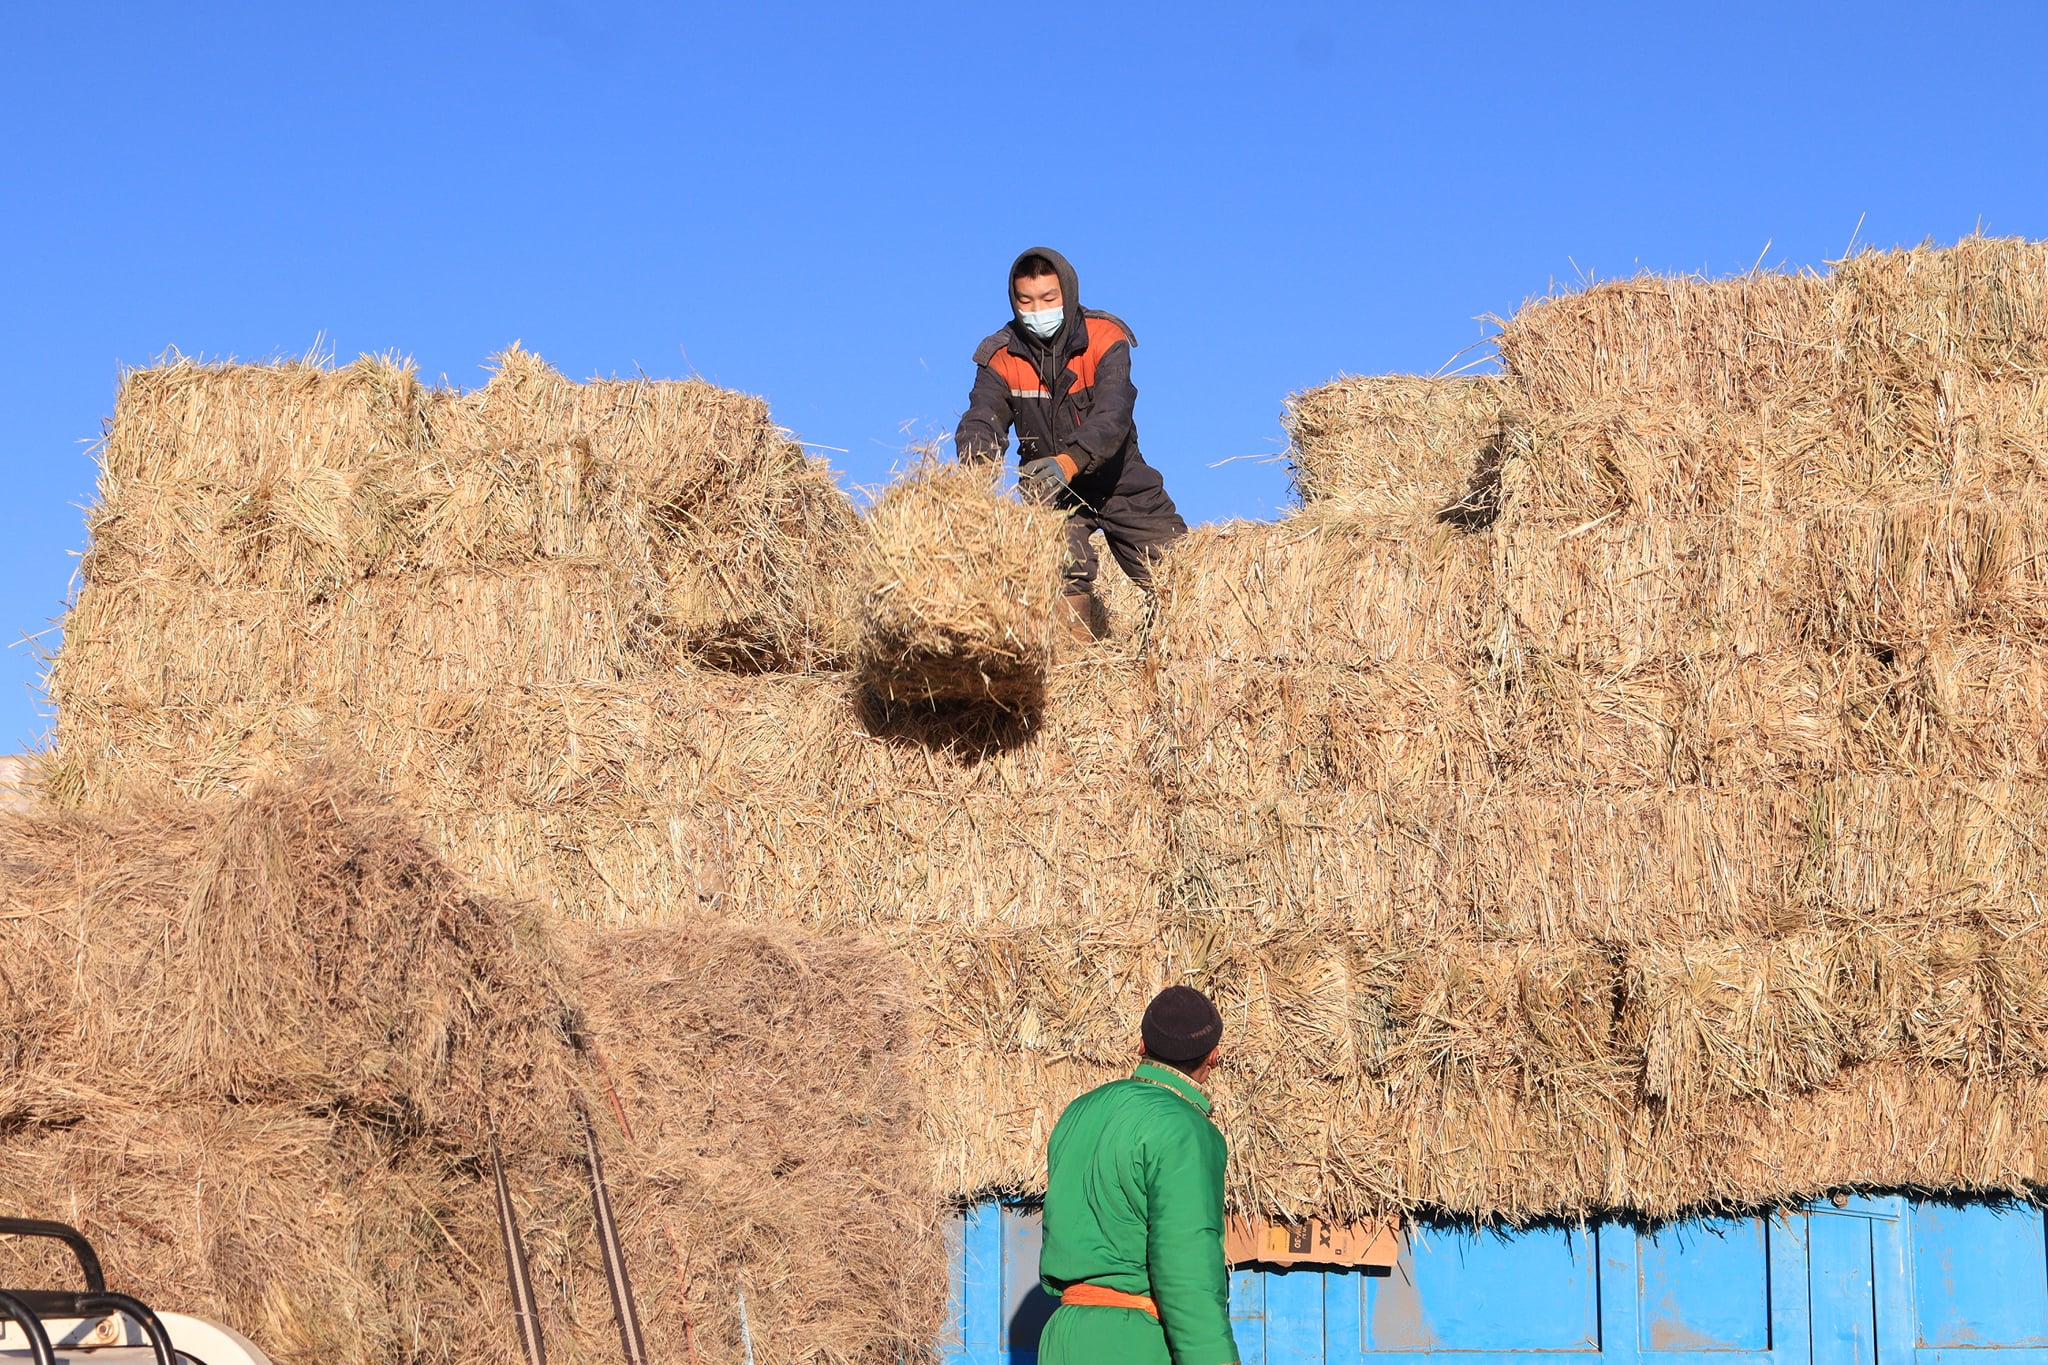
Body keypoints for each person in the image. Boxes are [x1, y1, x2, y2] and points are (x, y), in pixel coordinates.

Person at [954, 247, 1189, 641]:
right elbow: (982, 418)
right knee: (1059, 567)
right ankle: (1073, 672)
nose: (1037, 309)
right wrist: (976, 472)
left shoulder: (1105, 337)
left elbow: (1113, 414)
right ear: (1014, 300)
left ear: (1068, 292)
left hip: (1119, 480)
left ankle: (1174, 654)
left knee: (1178, 574)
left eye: (1048, 299)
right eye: (1026, 301)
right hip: (1049, 489)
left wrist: (1071, 460)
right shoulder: (1000, 355)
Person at [1035, 986, 1239, 1365]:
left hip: (1063, 1338)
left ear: (1142, 1045)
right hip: (1133, 1343)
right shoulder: (1184, 1129)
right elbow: (1185, 1265)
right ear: (1213, 1057)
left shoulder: (1078, 1113)